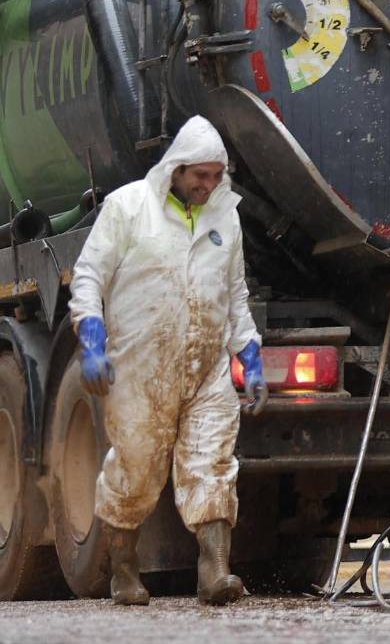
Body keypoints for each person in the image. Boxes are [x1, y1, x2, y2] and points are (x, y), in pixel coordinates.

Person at [69, 116, 267, 607]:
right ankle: (124, 569)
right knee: (135, 471)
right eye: (200, 176)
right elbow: (89, 277)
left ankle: (215, 569)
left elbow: (235, 293)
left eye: (217, 176)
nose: (209, 185)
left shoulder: (226, 217)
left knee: (213, 462)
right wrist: (92, 342)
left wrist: (250, 355)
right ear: (176, 169)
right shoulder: (128, 207)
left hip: (205, 370)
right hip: (139, 369)